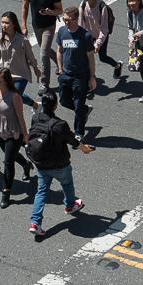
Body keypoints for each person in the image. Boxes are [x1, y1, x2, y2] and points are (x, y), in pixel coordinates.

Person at [28, 91, 95, 237]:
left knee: (42, 191)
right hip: (59, 164)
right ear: (55, 106)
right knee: (67, 184)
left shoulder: (35, 118)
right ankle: (70, 206)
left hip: (41, 163)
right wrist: (85, 149)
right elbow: (73, 141)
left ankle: (35, 222)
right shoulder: (60, 125)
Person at [0, 67, 32, 208]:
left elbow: (21, 118)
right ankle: (26, 165)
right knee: (11, 156)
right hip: (0, 131)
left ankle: (6, 193)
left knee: (8, 162)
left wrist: (25, 135)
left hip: (14, 132)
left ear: (6, 81)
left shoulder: (14, 96)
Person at [55, 7, 96, 140]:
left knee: (78, 106)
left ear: (75, 18)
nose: (65, 22)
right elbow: (59, 51)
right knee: (64, 101)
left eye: (68, 20)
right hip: (65, 75)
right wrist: (60, 69)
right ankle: (84, 111)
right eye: (64, 19)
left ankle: (79, 133)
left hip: (80, 77)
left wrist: (92, 77)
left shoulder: (85, 36)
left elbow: (90, 58)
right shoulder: (61, 31)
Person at [21, 0, 63, 94]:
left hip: (49, 26)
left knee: (43, 53)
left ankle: (44, 83)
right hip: (36, 25)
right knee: (44, 48)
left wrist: (50, 12)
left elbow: (60, 10)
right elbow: (24, 7)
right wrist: (23, 25)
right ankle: (60, 61)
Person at [0, 11, 41, 110]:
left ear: (13, 24)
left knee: (12, 98)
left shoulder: (23, 40)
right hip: (6, 76)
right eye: (2, 22)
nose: (4, 25)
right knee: (16, 95)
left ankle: (17, 121)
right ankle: (35, 105)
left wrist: (36, 69)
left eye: (7, 23)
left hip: (21, 75)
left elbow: (30, 57)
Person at [79, 0, 122, 80]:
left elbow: (104, 29)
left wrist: (98, 43)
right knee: (86, 57)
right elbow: (81, 24)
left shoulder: (102, 7)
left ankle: (117, 65)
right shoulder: (82, 5)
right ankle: (91, 78)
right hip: (88, 36)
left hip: (101, 36)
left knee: (103, 57)